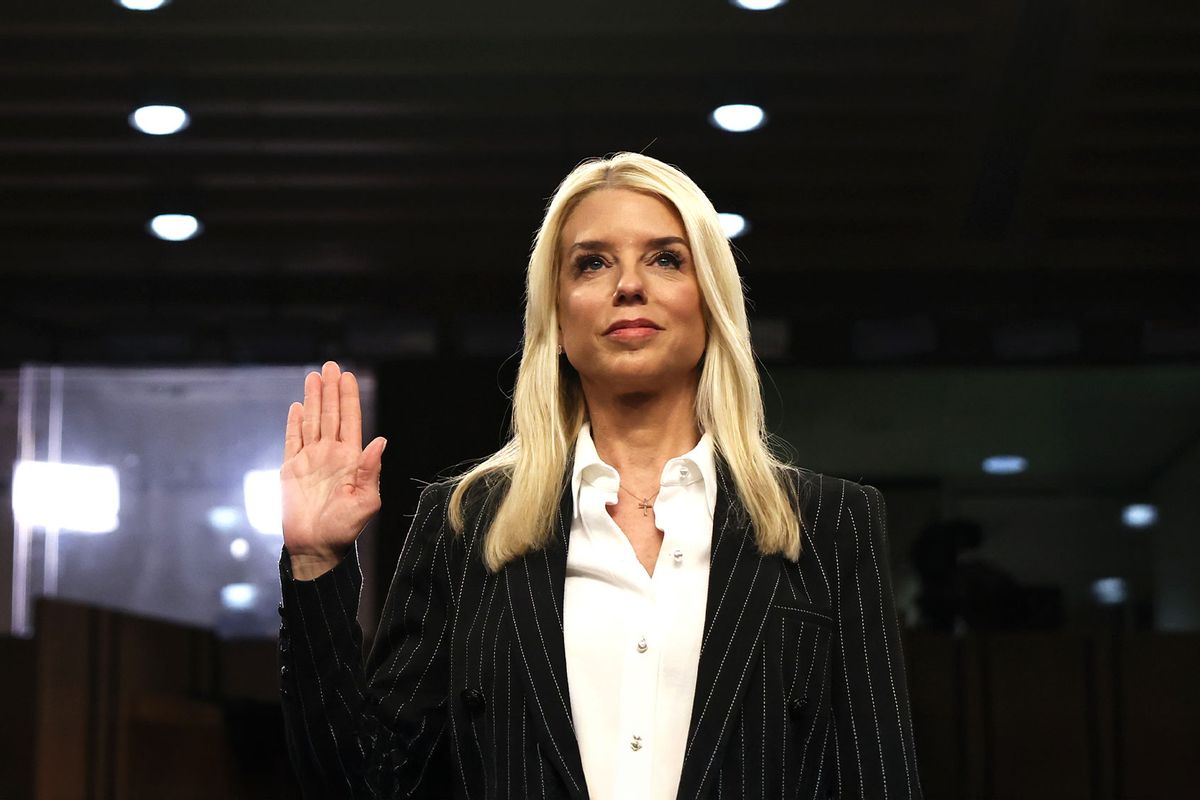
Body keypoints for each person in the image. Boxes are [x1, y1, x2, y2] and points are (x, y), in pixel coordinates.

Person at [277, 152, 924, 799]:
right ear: (557, 317)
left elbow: (880, 777)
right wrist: (314, 560)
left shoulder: (831, 523)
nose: (630, 285)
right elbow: (366, 784)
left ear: (711, 302)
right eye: (592, 262)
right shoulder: (465, 526)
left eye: (666, 258)